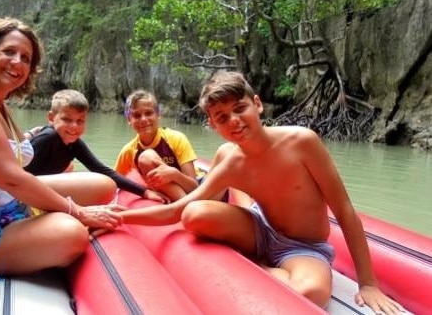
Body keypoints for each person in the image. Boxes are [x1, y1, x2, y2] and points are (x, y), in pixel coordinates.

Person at [119, 71, 403, 313]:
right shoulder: (231, 161)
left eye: (240, 109)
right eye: (221, 117)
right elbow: (176, 211)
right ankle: (261, 264)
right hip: (258, 228)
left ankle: (259, 269)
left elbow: (344, 210)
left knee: (311, 292)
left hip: (302, 246)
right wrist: (117, 216)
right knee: (195, 213)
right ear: (214, 126)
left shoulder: (302, 142)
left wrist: (368, 283)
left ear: (257, 105)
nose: (233, 121)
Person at [0, 17, 123, 288]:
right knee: (72, 234)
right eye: (8, 52)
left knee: (102, 185)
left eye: (26, 58)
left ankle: (42, 221)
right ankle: (45, 227)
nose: (18, 62)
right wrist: (78, 212)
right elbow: (11, 178)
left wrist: (31, 136)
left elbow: (10, 154)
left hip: (7, 201)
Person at [25, 89, 169, 203]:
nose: (74, 127)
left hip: (41, 188)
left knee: (73, 169)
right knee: (103, 185)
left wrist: (145, 192)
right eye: (67, 120)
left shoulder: (73, 143)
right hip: (26, 193)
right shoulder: (47, 138)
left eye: (80, 121)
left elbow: (101, 169)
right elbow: (21, 175)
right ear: (51, 118)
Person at [114, 89, 199, 202]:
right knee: (146, 157)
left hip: (191, 189)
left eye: (148, 113)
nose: (143, 119)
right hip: (176, 196)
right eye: (137, 115)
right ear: (129, 120)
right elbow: (114, 180)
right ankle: (183, 204)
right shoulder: (129, 151)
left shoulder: (176, 139)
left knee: (146, 157)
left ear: (158, 114)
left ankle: (182, 204)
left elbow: (194, 187)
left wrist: (174, 174)